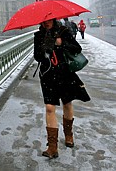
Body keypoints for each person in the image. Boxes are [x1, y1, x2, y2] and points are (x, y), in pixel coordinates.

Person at [33, 19, 91, 159]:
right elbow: (37, 57)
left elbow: (77, 48)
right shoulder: (38, 36)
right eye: (43, 21)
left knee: (67, 103)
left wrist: (61, 44)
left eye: (48, 21)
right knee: (49, 108)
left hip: (65, 73)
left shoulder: (64, 32)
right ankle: (52, 147)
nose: (45, 23)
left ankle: (68, 134)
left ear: (53, 20)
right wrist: (45, 49)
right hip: (47, 75)